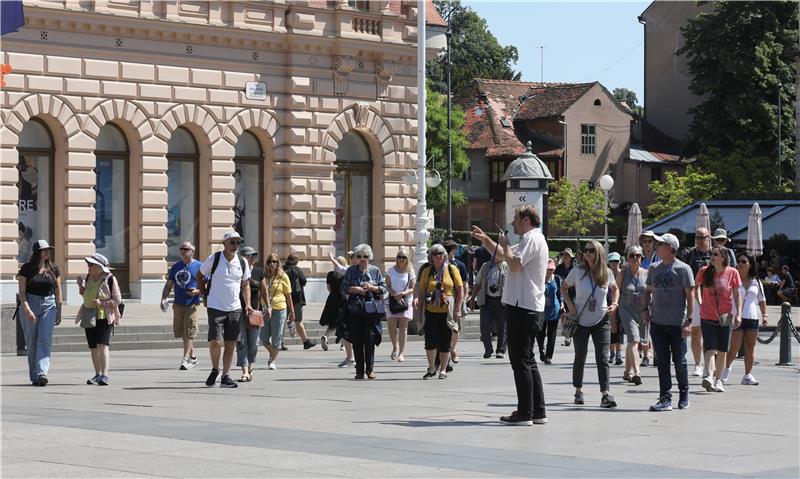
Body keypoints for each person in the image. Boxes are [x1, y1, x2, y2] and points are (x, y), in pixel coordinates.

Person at [472, 205, 549, 426]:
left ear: (526, 220)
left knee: (520, 361)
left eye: (515, 219)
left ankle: (525, 412)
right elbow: (502, 256)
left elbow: (513, 265)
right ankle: (538, 411)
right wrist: (485, 239)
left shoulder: (532, 239)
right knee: (528, 360)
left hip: (524, 307)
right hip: (526, 307)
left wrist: (504, 245)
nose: (512, 223)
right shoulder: (530, 240)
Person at [562, 240, 619, 409]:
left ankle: (605, 394)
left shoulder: (607, 272)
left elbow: (615, 289)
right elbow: (563, 288)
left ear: (598, 253)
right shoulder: (577, 272)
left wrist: (615, 304)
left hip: (602, 319)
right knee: (580, 356)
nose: (587, 253)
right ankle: (578, 391)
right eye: (586, 251)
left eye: (591, 251)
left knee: (603, 358)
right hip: (580, 320)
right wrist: (571, 306)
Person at [643, 233, 695, 411]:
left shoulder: (683, 269)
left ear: (671, 248)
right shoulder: (654, 268)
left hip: (677, 323)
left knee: (679, 361)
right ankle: (665, 397)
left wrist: (688, 322)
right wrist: (645, 310)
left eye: (660, 243)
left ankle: (684, 393)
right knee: (662, 362)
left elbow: (690, 296)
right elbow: (648, 290)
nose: (656, 246)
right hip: (658, 323)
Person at [197, 231, 253, 388]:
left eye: (237, 243)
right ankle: (215, 369)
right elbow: (199, 275)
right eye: (232, 242)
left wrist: (247, 304)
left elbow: (245, 284)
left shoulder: (242, 261)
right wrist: (204, 295)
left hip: (235, 307)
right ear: (224, 243)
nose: (235, 246)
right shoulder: (214, 259)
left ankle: (226, 376)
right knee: (215, 341)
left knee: (230, 343)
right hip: (215, 305)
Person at [696, 245, 743, 393]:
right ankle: (708, 376)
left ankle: (718, 381)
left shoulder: (732, 272)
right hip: (707, 314)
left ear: (723, 257)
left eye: (715, 254)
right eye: (711, 254)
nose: (712, 257)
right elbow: (696, 286)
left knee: (722, 350)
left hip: (726, 316)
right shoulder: (704, 271)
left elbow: (737, 294)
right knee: (710, 348)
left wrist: (739, 313)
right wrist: (699, 300)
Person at [17, 240, 62, 386]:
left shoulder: (53, 268)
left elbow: (57, 290)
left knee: (45, 339)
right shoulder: (27, 268)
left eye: (48, 249)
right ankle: (35, 375)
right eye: (44, 250)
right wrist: (27, 309)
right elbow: (22, 292)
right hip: (31, 303)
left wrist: (59, 310)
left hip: (49, 304)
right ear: (37, 252)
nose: (47, 252)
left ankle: (42, 373)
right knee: (32, 341)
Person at [415, 243, 463, 380]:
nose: (437, 256)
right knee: (430, 341)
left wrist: (458, 308)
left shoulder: (452, 269)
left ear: (445, 255)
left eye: (440, 253)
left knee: (445, 341)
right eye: (434, 254)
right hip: (430, 310)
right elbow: (422, 290)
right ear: (431, 256)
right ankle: (431, 368)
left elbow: (460, 290)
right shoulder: (427, 271)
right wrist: (419, 309)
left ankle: (443, 370)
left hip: (447, 311)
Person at [341, 244, 387, 380]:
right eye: (359, 256)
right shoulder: (351, 270)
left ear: (369, 257)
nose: (362, 259)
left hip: (371, 310)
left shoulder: (375, 270)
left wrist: (373, 287)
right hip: (355, 310)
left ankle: (370, 370)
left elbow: (384, 289)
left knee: (370, 339)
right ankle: (359, 371)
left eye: (365, 256)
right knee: (357, 341)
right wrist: (354, 288)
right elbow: (343, 288)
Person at [76, 253, 121, 386]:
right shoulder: (89, 277)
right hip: (89, 315)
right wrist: (80, 286)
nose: (88, 267)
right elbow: (85, 294)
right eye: (88, 264)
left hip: (103, 316)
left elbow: (117, 300)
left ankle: (104, 375)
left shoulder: (109, 279)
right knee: (93, 347)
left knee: (103, 345)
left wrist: (102, 303)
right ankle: (97, 374)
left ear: (99, 267)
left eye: (91, 264)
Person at [722, 253, 767, 386]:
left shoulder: (756, 281)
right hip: (737, 318)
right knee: (734, 347)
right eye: (739, 261)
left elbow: (762, 299)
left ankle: (747, 375)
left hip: (752, 317)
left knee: (750, 348)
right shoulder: (733, 280)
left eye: (744, 261)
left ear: (750, 265)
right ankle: (725, 370)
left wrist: (765, 316)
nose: (740, 263)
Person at [161, 241, 202, 370]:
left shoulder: (199, 266)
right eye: (181, 249)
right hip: (178, 304)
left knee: (189, 332)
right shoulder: (176, 267)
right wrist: (163, 298)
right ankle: (193, 357)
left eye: (186, 249)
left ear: (192, 252)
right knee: (182, 333)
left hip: (192, 305)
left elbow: (206, 284)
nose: (183, 251)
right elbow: (168, 285)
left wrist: (198, 292)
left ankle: (185, 359)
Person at [682, 227, 712, 377]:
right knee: (696, 333)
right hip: (694, 296)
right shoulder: (689, 254)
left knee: (710, 334)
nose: (700, 241)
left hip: (712, 297)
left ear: (709, 238)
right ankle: (698, 364)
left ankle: (710, 365)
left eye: (703, 237)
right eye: (698, 238)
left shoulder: (715, 254)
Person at [617, 246, 647, 386]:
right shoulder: (622, 274)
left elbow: (651, 293)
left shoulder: (646, 273)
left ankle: (627, 372)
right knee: (634, 340)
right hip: (626, 309)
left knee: (633, 341)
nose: (635, 258)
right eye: (632, 256)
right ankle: (637, 373)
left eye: (638, 255)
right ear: (627, 258)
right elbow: (615, 292)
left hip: (641, 311)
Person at [470, 250, 509, 359]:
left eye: (498, 254)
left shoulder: (506, 266)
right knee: (484, 326)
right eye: (494, 253)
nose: (495, 256)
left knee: (502, 327)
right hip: (486, 299)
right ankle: (488, 349)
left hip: (501, 300)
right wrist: (472, 298)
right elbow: (477, 283)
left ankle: (501, 350)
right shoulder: (485, 266)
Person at [260, 252, 294, 370]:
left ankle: (273, 360)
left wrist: (292, 312)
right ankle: (273, 352)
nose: (272, 264)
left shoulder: (283, 276)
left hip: (280, 309)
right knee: (263, 337)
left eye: (274, 261)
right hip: (265, 309)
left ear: (278, 263)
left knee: (277, 336)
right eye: (270, 261)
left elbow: (288, 295)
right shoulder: (264, 276)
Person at [236, 247, 263, 382]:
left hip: (254, 312)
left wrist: (268, 306)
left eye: (254, 256)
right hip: (237, 311)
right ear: (242, 257)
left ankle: (250, 367)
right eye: (250, 256)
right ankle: (245, 371)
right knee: (241, 342)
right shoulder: (236, 270)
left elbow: (264, 291)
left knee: (253, 343)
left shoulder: (258, 272)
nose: (253, 258)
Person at [385, 247, 416, 362]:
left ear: (407, 259)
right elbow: (387, 285)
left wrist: (402, 294)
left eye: (404, 257)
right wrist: (395, 295)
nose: (401, 259)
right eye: (399, 257)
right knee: (391, 326)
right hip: (393, 300)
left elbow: (413, 288)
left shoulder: (410, 272)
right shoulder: (391, 271)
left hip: (406, 301)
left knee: (403, 327)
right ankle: (394, 346)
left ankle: (402, 353)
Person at [283, 254, 318, 350]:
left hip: (284, 298)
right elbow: (304, 281)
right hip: (297, 299)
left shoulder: (282, 269)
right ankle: (306, 341)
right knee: (298, 321)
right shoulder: (296, 269)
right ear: (296, 261)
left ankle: (279, 342)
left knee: (281, 321)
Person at [443, 239, 468, 365]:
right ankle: (447, 353)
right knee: (446, 328)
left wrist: (463, 301)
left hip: (456, 299)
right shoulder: (439, 265)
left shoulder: (459, 265)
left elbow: (464, 285)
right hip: (443, 300)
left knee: (456, 329)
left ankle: (452, 350)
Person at [638, 231, 660, 366]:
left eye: (649, 241)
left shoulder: (658, 258)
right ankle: (645, 355)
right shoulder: (638, 257)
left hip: (656, 295)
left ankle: (657, 354)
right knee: (644, 325)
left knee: (657, 326)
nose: (647, 244)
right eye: (645, 241)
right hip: (642, 295)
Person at [536, 259, 562, 365]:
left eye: (551, 269)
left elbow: (560, 294)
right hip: (541, 309)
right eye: (547, 269)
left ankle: (548, 356)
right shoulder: (539, 278)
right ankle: (541, 349)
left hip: (553, 310)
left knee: (552, 334)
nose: (549, 271)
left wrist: (562, 304)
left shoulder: (557, 278)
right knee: (540, 332)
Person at [555, 248, 576, 347]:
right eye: (564, 255)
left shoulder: (574, 267)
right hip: (562, 294)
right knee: (563, 315)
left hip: (574, 294)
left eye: (567, 255)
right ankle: (567, 336)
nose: (565, 256)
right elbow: (555, 278)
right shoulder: (559, 268)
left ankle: (572, 335)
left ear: (571, 257)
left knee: (572, 315)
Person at [607, 252, 624, 366]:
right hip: (608, 304)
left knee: (620, 329)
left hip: (622, 305)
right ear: (609, 263)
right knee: (611, 329)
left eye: (616, 261)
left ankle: (618, 353)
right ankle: (612, 352)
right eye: (612, 261)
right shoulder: (606, 274)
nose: (614, 264)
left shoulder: (622, 274)